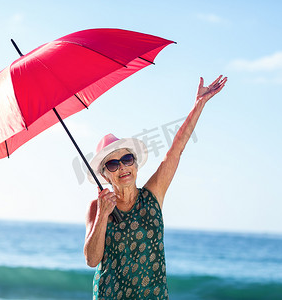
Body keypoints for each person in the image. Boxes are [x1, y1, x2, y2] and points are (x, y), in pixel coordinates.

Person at [84, 75, 227, 299]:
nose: (122, 167)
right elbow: (92, 260)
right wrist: (103, 216)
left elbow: (176, 149)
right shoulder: (97, 207)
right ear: (105, 174)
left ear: (136, 164)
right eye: (113, 163)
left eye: (127, 159)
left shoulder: (152, 195)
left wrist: (199, 104)